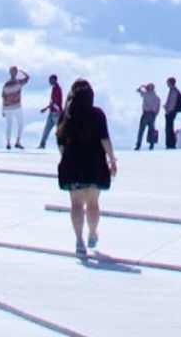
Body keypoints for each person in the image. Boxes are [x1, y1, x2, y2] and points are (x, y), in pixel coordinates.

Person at [55, 79, 117, 256]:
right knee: (93, 203)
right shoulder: (97, 114)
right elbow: (104, 139)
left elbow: (60, 142)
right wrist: (112, 160)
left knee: (75, 204)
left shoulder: (65, 115)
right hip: (94, 162)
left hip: (73, 162)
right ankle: (91, 234)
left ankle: (79, 241)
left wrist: (65, 158)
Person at [1, 66, 30, 149]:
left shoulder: (10, 83)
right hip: (14, 106)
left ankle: (12, 142)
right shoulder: (17, 82)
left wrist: (3, 109)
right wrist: (22, 71)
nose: (14, 73)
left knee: (14, 124)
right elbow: (3, 97)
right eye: (14, 71)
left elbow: (3, 96)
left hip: (11, 106)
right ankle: (11, 142)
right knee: (16, 124)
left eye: (15, 71)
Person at [38, 73, 63, 148]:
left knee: (60, 131)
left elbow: (55, 101)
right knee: (46, 129)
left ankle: (63, 145)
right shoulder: (54, 88)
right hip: (52, 112)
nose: (49, 82)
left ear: (54, 80)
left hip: (57, 113)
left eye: (51, 80)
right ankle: (42, 144)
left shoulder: (57, 89)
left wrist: (45, 108)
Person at [134, 83, 160, 150]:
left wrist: (142, 86)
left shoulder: (146, 94)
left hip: (146, 113)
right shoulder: (157, 97)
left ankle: (138, 145)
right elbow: (158, 108)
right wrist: (155, 115)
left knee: (141, 130)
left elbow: (138, 90)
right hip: (153, 114)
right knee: (151, 130)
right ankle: (151, 145)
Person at [163, 76, 181, 149]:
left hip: (171, 112)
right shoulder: (173, 90)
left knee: (169, 128)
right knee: (170, 127)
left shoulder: (173, 91)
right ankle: (170, 144)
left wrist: (168, 110)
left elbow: (172, 102)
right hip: (172, 111)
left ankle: (170, 144)